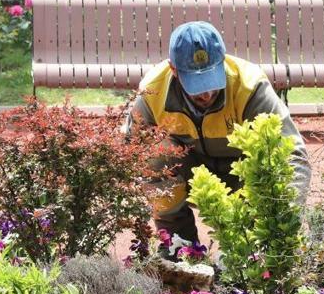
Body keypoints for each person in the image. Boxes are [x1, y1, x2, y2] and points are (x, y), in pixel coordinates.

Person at [125, 20, 311, 245]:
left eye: (212, 78)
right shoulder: (153, 90)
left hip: (244, 178)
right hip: (192, 176)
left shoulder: (250, 85)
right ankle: (178, 246)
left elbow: (292, 156)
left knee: (270, 166)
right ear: (174, 70)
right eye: (197, 84)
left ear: (223, 60)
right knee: (154, 156)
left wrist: (285, 217)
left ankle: (251, 248)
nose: (207, 93)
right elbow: (130, 152)